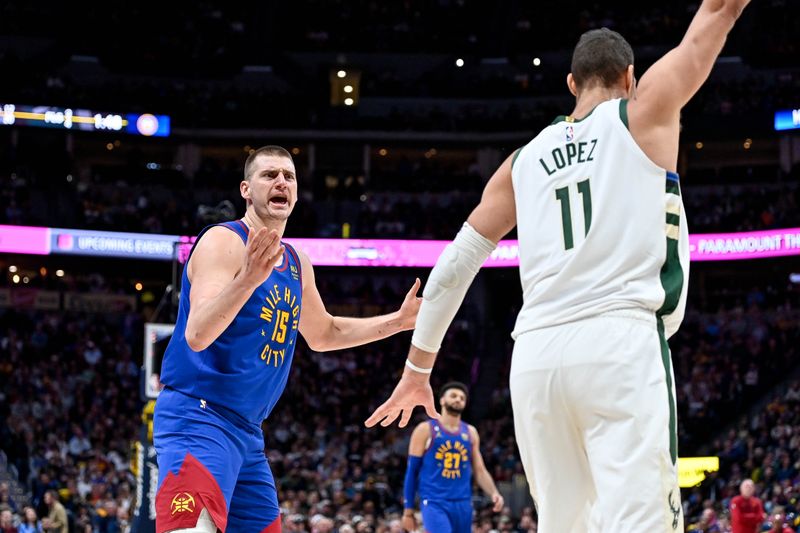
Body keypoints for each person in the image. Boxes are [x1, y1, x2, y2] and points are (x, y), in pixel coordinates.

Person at [366, 1, 752, 531]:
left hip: (537, 357)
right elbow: (716, 16)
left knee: (563, 524)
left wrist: (417, 370)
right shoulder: (642, 112)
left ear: (572, 83)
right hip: (619, 341)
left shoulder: (521, 162)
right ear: (630, 76)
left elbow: (457, 263)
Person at [154, 145, 422, 532]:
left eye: (289, 176)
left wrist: (397, 322)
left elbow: (324, 333)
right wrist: (248, 277)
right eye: (269, 175)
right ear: (246, 189)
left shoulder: (297, 263)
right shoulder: (223, 241)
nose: (281, 181)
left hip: (248, 431)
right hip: (199, 417)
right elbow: (197, 334)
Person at [402, 382, 503, 533]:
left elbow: (480, 470)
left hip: (462, 503)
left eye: (462, 398)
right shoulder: (425, 430)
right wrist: (408, 509)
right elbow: (412, 471)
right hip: (434, 502)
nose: (458, 399)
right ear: (442, 400)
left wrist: (494, 492)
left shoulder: (470, 432)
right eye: (454, 396)